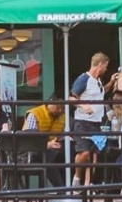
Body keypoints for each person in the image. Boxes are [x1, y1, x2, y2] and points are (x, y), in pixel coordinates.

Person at [70, 53, 109, 189]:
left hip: (96, 122)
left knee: (97, 152)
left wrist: (112, 82)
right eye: (106, 66)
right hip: (82, 121)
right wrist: (83, 105)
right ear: (101, 64)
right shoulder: (83, 79)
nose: (106, 69)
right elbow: (71, 98)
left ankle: (91, 184)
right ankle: (76, 178)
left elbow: (101, 92)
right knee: (84, 152)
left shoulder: (98, 81)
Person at [22, 101, 67, 188]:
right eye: (58, 107)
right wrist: (47, 144)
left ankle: (73, 188)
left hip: (53, 148)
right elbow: (29, 140)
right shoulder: (34, 114)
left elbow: (62, 136)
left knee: (70, 152)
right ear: (50, 104)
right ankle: (61, 189)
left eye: (63, 108)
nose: (60, 110)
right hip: (32, 152)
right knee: (47, 157)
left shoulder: (63, 117)